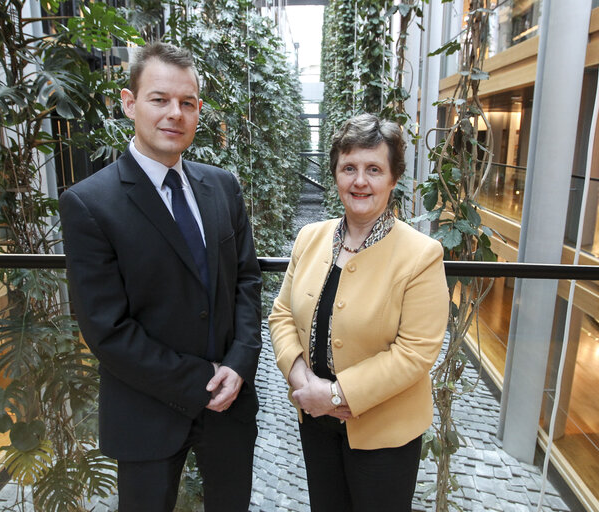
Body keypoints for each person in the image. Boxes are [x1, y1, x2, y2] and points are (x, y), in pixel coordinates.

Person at [59, 42, 262, 512]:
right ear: (129, 104)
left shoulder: (223, 187)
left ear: (198, 111)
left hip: (230, 405)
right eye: (160, 99)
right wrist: (201, 380)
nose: (175, 113)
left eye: (187, 103)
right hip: (146, 411)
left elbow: (246, 282)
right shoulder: (90, 203)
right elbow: (106, 330)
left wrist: (239, 363)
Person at [268, 113, 449, 511]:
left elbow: (416, 351)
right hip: (315, 420)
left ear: (393, 179)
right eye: (349, 168)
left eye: (373, 169)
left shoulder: (421, 255)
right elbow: (281, 314)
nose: (360, 181)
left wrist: (334, 394)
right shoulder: (310, 238)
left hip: (383, 431)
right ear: (335, 174)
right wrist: (305, 385)